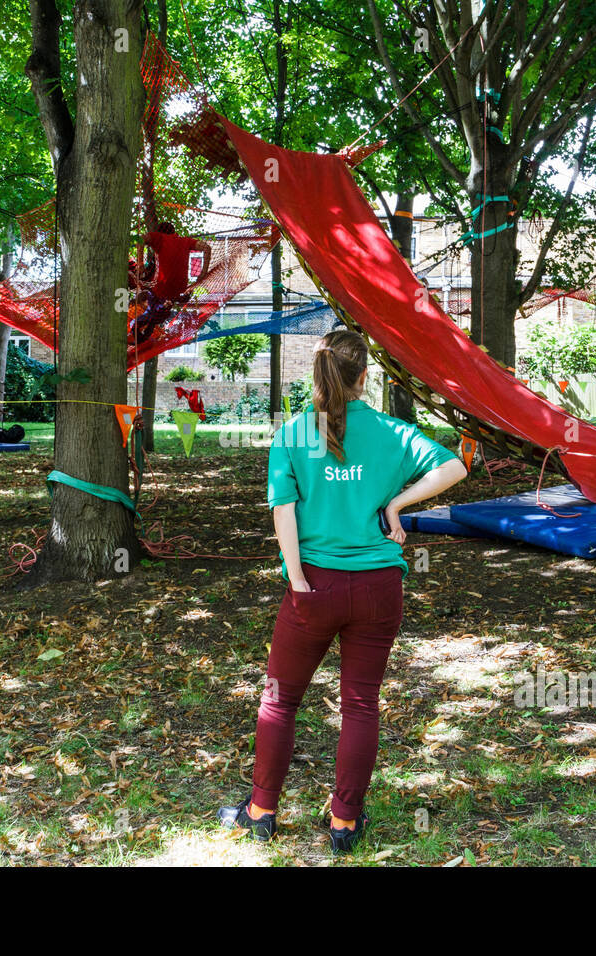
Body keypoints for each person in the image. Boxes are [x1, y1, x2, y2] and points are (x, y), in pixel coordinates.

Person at [217, 330, 469, 853]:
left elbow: (283, 511)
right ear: (363, 377)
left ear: (318, 376)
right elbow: (455, 467)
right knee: (360, 704)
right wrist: (398, 505)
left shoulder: (293, 434)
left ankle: (261, 810)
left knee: (279, 699)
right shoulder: (393, 432)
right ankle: (344, 823)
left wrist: (297, 579)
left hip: (315, 584)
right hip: (379, 589)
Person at [130, 216, 212, 346]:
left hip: (162, 287)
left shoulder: (159, 237)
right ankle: (146, 330)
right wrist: (203, 273)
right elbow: (207, 248)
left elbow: (141, 240)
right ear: (174, 232)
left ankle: (136, 329)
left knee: (146, 301)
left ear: (160, 232)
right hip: (180, 288)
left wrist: (140, 263)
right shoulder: (185, 241)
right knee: (156, 312)